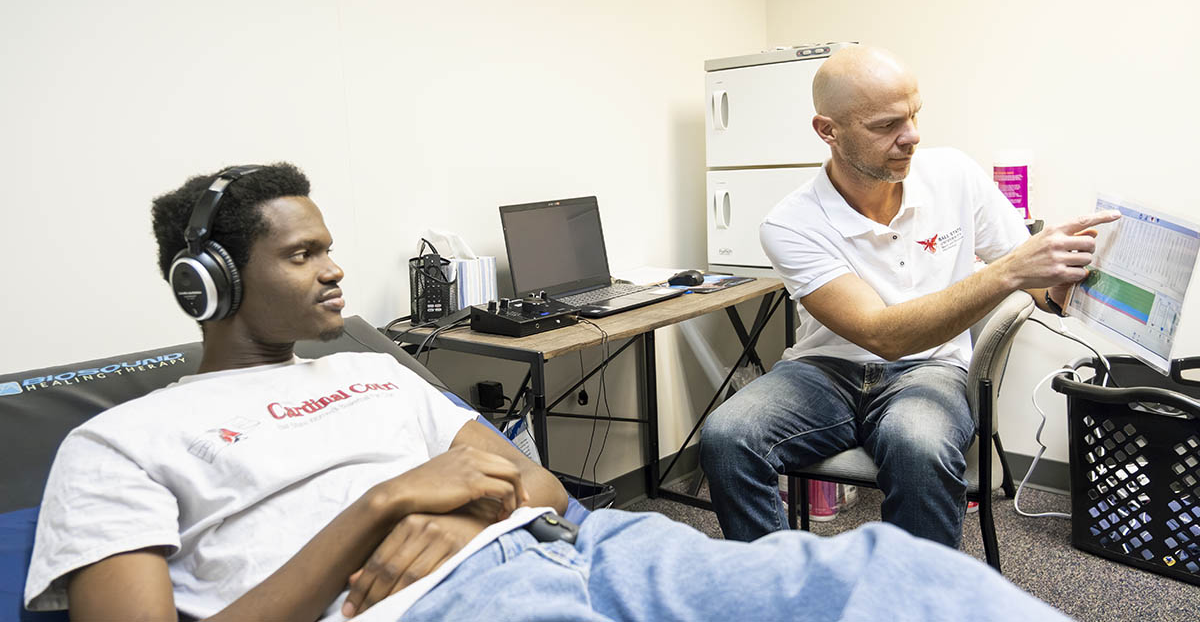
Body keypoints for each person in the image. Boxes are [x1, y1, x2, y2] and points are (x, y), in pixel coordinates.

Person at [25, 163, 1069, 621]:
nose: (337, 274)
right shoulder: (118, 445)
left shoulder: (367, 367)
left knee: (885, 574)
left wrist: (466, 499)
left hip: (597, 551)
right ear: (204, 283)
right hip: (447, 607)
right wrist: (386, 504)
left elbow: (544, 492)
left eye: (334, 248)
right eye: (304, 256)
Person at [700, 45, 1120, 547]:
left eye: (914, 114)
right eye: (886, 125)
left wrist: (1076, 267)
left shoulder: (953, 176)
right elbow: (882, 334)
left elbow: (1034, 281)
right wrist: (1009, 269)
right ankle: (781, 590)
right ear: (827, 131)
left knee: (917, 443)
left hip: (931, 370)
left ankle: (917, 601)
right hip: (824, 371)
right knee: (727, 436)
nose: (912, 136)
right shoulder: (791, 222)